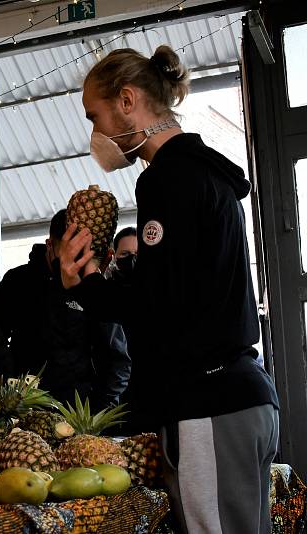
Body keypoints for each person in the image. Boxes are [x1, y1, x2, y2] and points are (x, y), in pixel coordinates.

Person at [60, 45, 279, 533]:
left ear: (127, 100)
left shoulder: (169, 179)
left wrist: (88, 282)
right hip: (244, 395)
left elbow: (159, 305)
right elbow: (182, 286)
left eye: (94, 116)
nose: (94, 133)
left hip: (210, 401)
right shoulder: (206, 173)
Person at [0, 209, 130, 410]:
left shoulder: (94, 289)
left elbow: (117, 359)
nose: (72, 264)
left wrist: (99, 409)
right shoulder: (18, 282)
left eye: (80, 255)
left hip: (81, 413)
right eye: (66, 254)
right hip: (25, 409)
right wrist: (11, 390)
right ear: (50, 246)